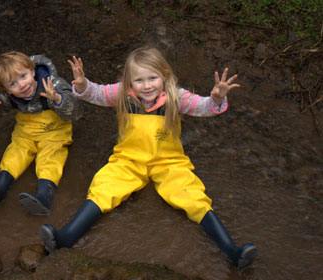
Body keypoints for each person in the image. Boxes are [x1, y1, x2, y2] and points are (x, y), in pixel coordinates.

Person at [39, 47, 258, 270]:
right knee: (103, 188)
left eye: (153, 78)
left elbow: (203, 107)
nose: (147, 86)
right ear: (129, 81)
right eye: (139, 80)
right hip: (129, 159)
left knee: (193, 196)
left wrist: (217, 98)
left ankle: (232, 251)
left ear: (165, 75)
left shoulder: (176, 96)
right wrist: (83, 84)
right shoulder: (123, 94)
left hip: (168, 161)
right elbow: (97, 93)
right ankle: (66, 237)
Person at [0, 51, 83, 215]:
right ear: (7, 90)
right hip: (26, 131)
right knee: (15, 152)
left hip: (54, 132)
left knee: (50, 158)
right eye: (13, 84)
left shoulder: (52, 83)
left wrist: (58, 99)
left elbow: (77, 112)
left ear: (32, 71)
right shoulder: (8, 95)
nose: (22, 85)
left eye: (23, 76)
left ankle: (44, 197)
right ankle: (0, 188)